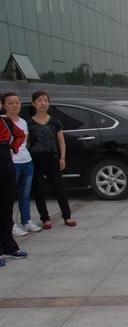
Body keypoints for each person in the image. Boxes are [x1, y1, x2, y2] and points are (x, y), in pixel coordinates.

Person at [28, 91, 76, 229]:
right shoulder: (29, 123)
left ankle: (67, 216)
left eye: (45, 100)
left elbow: (61, 141)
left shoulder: (55, 121)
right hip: (35, 160)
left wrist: (62, 157)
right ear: (33, 103)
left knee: (59, 190)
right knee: (39, 190)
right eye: (39, 100)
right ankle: (45, 219)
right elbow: (27, 143)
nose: (43, 103)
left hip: (53, 159)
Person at [2, 93, 41, 236]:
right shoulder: (3, 121)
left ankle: (26, 220)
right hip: (11, 163)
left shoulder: (23, 122)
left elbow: (25, 141)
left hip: (26, 161)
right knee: (9, 196)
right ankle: (11, 224)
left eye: (17, 102)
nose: (15, 106)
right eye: (10, 103)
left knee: (25, 194)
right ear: (4, 105)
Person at [0, 92, 28, 266]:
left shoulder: (5, 121)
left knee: (6, 208)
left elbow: (21, 135)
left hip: (6, 167)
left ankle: (9, 246)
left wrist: (12, 148)